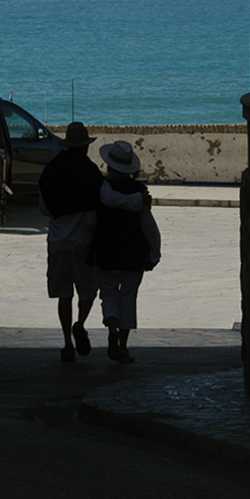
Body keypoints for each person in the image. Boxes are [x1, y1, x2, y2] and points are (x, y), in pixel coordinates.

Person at [39, 123, 146, 362]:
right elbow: (104, 204)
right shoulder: (91, 173)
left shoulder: (51, 170)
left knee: (63, 295)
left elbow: (45, 208)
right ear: (86, 146)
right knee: (87, 292)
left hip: (58, 242)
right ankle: (81, 322)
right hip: (84, 243)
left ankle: (67, 343)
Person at [94, 140, 161, 364]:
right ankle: (123, 346)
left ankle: (111, 330)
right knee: (128, 297)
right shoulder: (140, 193)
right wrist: (154, 252)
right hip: (133, 252)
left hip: (106, 251)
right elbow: (148, 226)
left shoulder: (103, 189)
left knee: (109, 294)